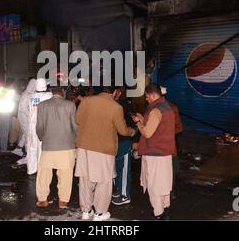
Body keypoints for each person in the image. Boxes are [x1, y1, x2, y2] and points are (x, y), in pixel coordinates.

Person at [75, 85, 136, 221]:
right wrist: (132, 131)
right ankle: (100, 213)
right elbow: (122, 130)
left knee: (85, 179)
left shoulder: (86, 101)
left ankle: (86, 211)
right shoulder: (116, 107)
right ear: (115, 92)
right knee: (104, 181)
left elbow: (78, 120)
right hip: (104, 149)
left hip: (84, 147)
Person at [132, 83, 176, 220]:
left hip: (155, 154)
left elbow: (148, 132)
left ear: (152, 95)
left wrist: (139, 123)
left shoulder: (156, 110)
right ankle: (164, 209)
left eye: (146, 96)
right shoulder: (166, 107)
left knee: (154, 185)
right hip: (164, 152)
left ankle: (158, 213)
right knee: (163, 184)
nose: (146, 99)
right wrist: (143, 119)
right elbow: (158, 126)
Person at [35, 86, 77, 209]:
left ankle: (42, 199)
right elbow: (75, 126)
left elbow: (39, 126)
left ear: (51, 93)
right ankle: (63, 200)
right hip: (66, 145)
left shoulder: (42, 105)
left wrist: (42, 137)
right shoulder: (70, 105)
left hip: (48, 145)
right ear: (62, 92)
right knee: (65, 174)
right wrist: (75, 140)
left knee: (44, 173)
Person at [112, 87, 136, 206]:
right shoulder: (110, 105)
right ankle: (118, 189)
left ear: (119, 93)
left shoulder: (125, 105)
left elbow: (132, 124)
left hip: (124, 141)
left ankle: (125, 195)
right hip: (113, 142)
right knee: (115, 168)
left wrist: (135, 140)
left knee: (124, 169)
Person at [26, 78, 52, 175]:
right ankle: (41, 169)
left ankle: (31, 169)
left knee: (32, 147)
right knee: (42, 147)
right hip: (43, 125)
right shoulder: (48, 96)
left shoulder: (31, 96)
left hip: (32, 125)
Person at [13, 78, 37, 165]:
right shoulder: (28, 95)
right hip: (25, 119)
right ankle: (28, 157)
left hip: (24, 118)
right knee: (29, 138)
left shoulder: (26, 93)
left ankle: (18, 149)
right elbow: (25, 109)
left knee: (26, 135)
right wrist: (32, 117)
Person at [0, 78, 18, 152]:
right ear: (12, 84)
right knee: (5, 132)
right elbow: (18, 99)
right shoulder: (12, 92)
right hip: (6, 114)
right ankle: (3, 149)